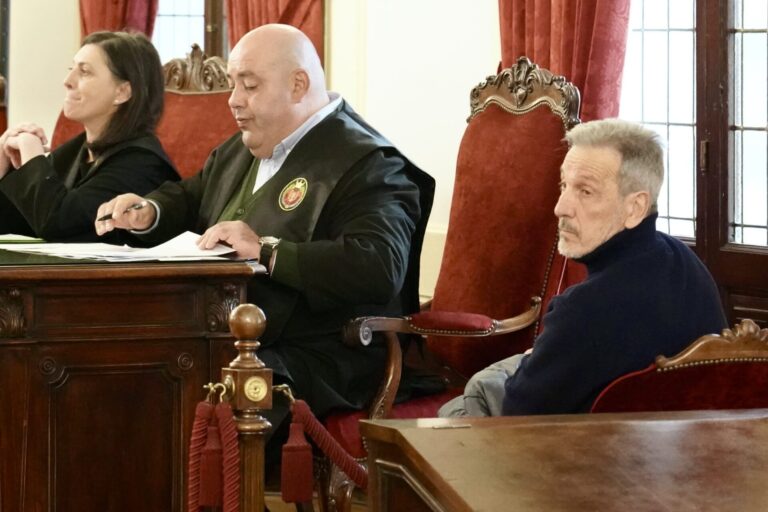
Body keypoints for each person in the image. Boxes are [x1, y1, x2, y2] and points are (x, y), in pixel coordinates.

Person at [95, 24, 434, 442]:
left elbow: (379, 265)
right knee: (118, 367)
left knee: (182, 394)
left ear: (298, 85)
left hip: (317, 353)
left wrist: (266, 250)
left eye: (250, 85)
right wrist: (150, 211)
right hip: (229, 336)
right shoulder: (243, 146)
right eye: (233, 84)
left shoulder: (370, 164)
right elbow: (194, 195)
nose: (233, 100)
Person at [439, 118, 727, 417]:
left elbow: (516, 419)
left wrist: (539, 358)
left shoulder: (583, 309)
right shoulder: (684, 260)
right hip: (684, 441)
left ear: (635, 207)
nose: (560, 207)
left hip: (590, 445)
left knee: (464, 403)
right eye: (564, 185)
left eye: (585, 191)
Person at [0, 31, 179, 243]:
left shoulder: (142, 164)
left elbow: (57, 223)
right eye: (71, 69)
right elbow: (13, 221)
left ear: (122, 92)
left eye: (84, 72)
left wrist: (31, 153)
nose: (67, 81)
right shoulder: (78, 150)